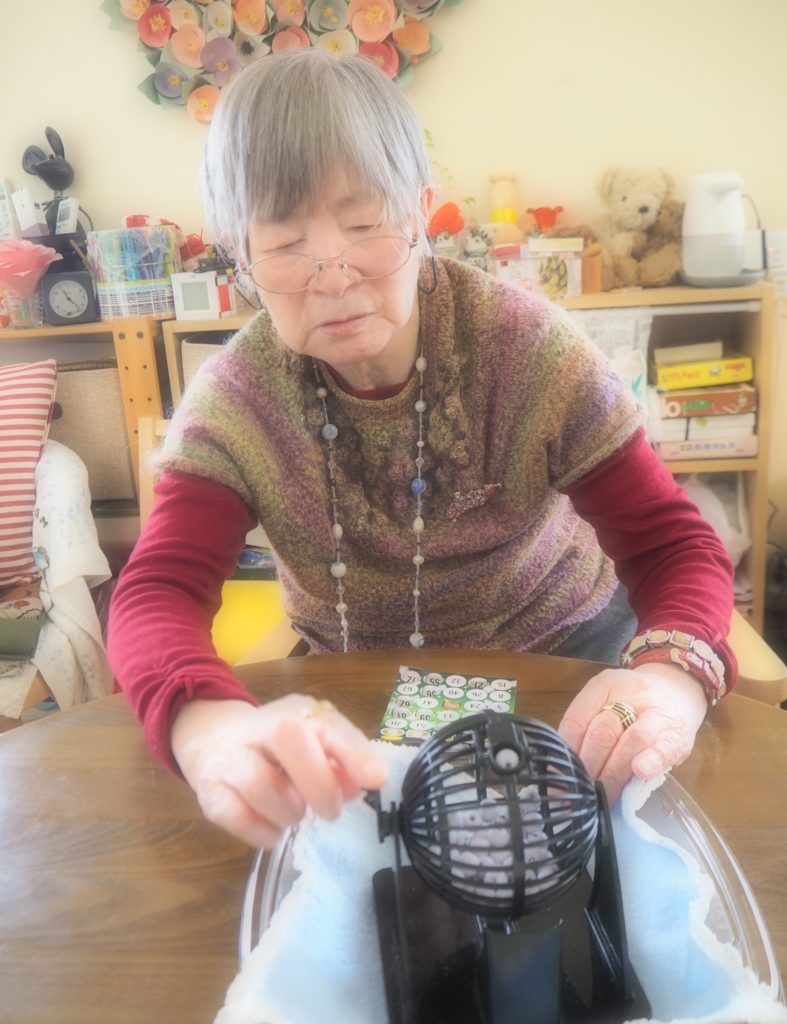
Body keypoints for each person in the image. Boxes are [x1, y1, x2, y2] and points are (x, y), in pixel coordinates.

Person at [107, 49, 736, 851]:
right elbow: (155, 589)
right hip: (358, 697)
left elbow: (670, 544)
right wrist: (208, 728)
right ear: (241, 257)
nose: (332, 276)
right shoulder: (238, 400)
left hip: (567, 675)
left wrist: (669, 679)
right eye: (284, 241)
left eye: (363, 224)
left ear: (420, 211)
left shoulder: (528, 351)